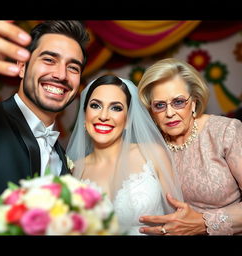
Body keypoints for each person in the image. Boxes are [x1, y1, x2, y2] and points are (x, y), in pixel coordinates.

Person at [0, 20, 90, 224]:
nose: (61, 75)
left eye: (73, 68)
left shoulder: (63, 159)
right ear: (22, 67)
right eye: (50, 60)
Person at [66, 74, 183, 235]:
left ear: (128, 119)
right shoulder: (74, 171)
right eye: (95, 106)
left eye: (116, 108)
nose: (104, 116)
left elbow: (178, 221)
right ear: (84, 115)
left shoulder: (152, 154)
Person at [137, 58, 242, 235]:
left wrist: (203, 223)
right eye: (160, 105)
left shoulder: (226, 132)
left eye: (178, 102)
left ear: (193, 101)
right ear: (151, 112)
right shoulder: (151, 147)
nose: (169, 113)